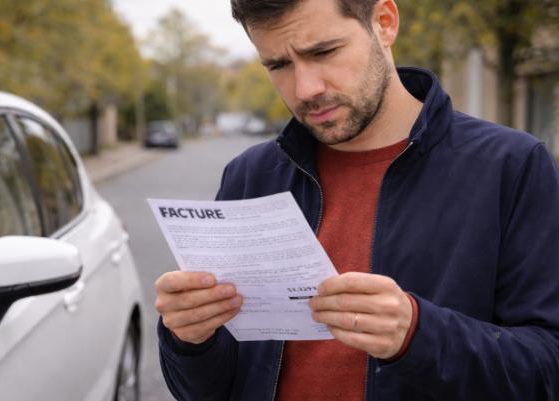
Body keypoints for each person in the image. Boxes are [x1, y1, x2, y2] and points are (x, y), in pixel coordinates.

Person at [153, 0, 559, 400]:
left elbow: (547, 370)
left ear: (384, 22)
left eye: (324, 52)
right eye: (279, 65)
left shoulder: (510, 167)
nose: (305, 89)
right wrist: (190, 339)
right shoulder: (250, 176)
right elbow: (206, 390)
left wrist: (419, 335)